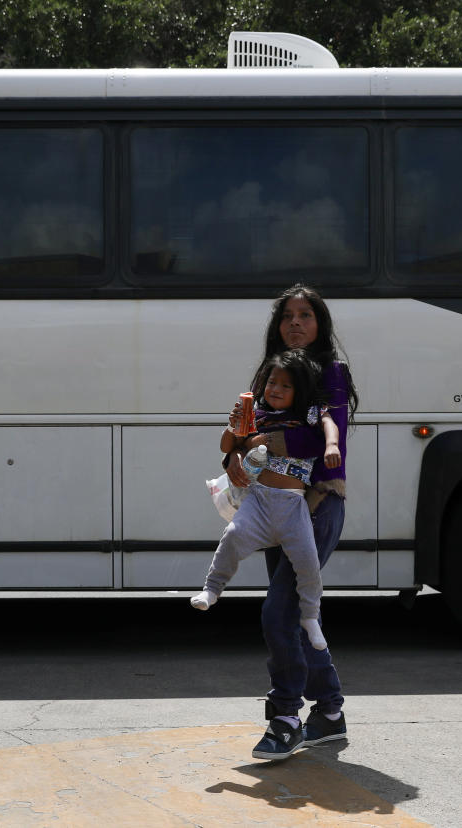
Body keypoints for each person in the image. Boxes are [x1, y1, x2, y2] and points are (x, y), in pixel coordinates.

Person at [226, 284, 358, 761]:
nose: (296, 323)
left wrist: (263, 442)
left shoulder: (331, 373)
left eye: (306, 315)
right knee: (302, 617)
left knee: (278, 612)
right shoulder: (272, 374)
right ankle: (328, 713)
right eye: (287, 316)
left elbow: (322, 441)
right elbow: (245, 436)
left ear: (320, 324)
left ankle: (284, 718)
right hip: (271, 507)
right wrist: (235, 462)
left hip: (318, 506)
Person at [191, 349, 341, 657]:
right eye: (272, 382)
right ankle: (212, 589)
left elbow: (330, 422)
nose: (276, 389)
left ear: (299, 392)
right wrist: (235, 430)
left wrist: (332, 444)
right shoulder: (256, 415)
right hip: (258, 501)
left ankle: (310, 616)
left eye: (286, 386)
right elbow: (226, 445)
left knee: (308, 563)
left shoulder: (307, 414)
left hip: (293, 506)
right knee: (232, 536)